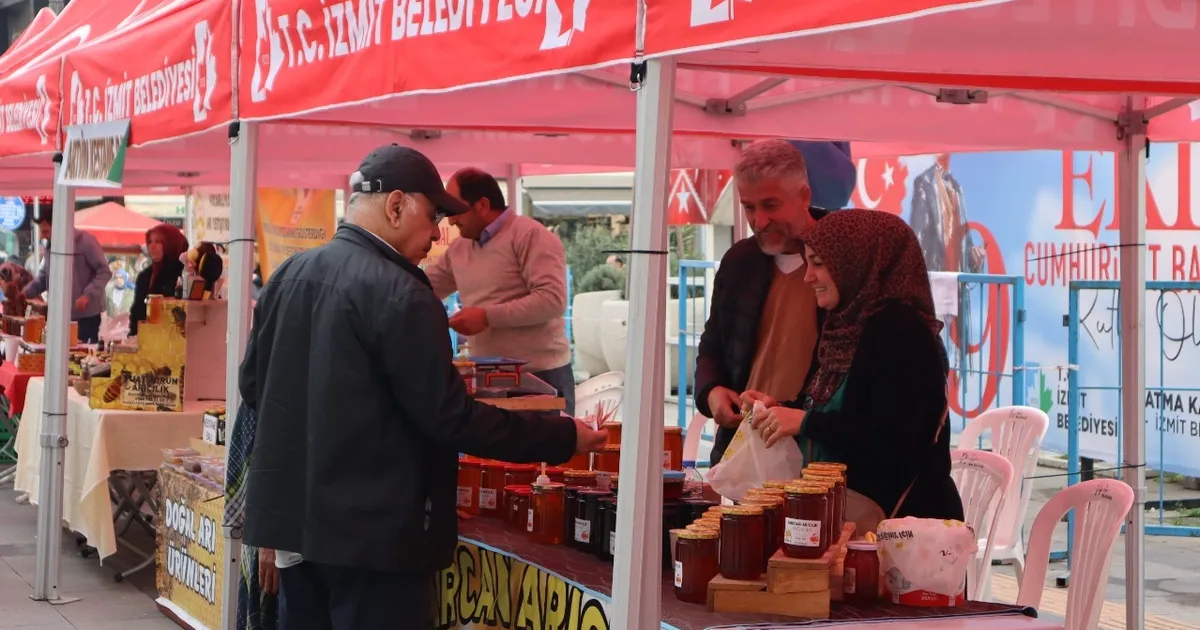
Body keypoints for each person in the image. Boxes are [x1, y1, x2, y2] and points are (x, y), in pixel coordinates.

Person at [239, 144, 605, 630]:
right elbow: (451, 418)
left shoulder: (288, 275)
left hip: (298, 532)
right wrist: (561, 437)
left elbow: (253, 388)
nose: (437, 233)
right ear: (395, 206)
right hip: (374, 540)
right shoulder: (403, 294)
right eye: (432, 216)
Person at [746, 209, 963, 520]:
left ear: (860, 262)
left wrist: (804, 422)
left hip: (901, 534)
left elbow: (889, 440)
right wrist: (779, 410)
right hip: (852, 520)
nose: (808, 276)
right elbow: (842, 411)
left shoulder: (901, 333)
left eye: (819, 263)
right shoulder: (846, 328)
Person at [693, 139, 853, 465]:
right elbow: (713, 344)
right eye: (749, 207)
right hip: (745, 448)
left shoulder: (845, 258)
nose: (759, 220)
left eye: (771, 205)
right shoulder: (739, 261)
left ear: (804, 196)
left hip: (816, 450)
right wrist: (710, 391)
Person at [425, 168, 575, 414]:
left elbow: (552, 300)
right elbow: (425, 289)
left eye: (455, 210)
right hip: (486, 379)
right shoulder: (459, 248)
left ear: (482, 205)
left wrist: (486, 317)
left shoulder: (531, 236)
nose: (450, 220)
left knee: (546, 452)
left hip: (542, 375)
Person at [23, 210, 112, 344]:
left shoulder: (86, 241)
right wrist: (24, 293)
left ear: (59, 226)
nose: (42, 236)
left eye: (45, 231)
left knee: (80, 358)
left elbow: (104, 271)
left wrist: (87, 296)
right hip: (59, 317)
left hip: (86, 318)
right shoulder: (50, 247)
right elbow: (43, 278)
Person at [129, 224, 189, 337]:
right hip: (147, 340)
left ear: (170, 244)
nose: (152, 246)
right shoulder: (145, 276)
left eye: (158, 242)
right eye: (150, 242)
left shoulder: (184, 273)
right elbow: (137, 311)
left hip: (175, 340)